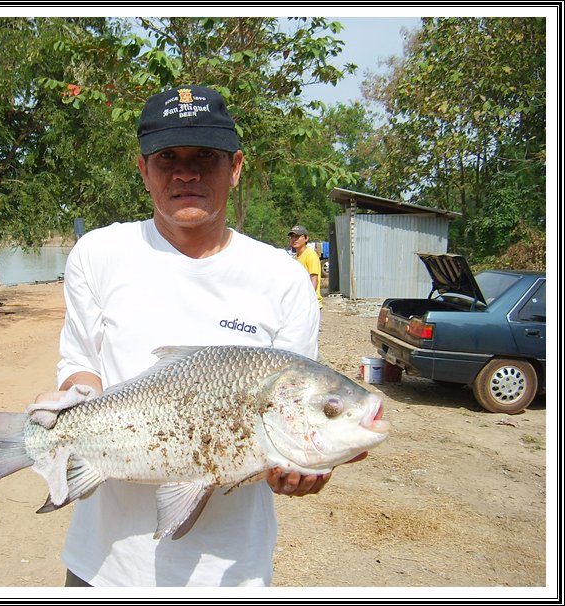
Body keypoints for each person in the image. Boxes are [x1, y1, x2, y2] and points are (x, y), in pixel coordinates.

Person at [35, 85, 362, 587]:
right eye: (168, 157)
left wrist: (307, 463)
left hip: (231, 575)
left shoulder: (283, 276)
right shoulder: (97, 254)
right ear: (143, 169)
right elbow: (82, 362)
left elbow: (294, 412)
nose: (185, 172)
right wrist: (75, 400)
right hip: (103, 567)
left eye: (205, 157)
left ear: (235, 167)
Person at [288, 225, 323, 310]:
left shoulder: (310, 255)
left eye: (297, 237)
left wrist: (308, 300)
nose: (294, 239)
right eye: (292, 237)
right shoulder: (297, 257)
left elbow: (314, 279)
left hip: (310, 304)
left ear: (306, 238)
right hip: (301, 303)